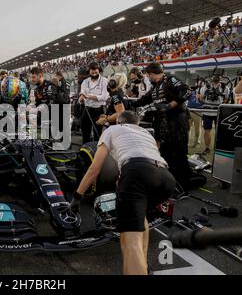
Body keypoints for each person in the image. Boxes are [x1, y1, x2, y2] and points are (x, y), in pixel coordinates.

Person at [69, 111, 175, 275]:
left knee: (129, 242)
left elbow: (94, 169)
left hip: (137, 174)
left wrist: (77, 196)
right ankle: (143, 266)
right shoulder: (145, 133)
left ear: (118, 122)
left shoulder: (112, 130)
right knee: (141, 217)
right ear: (137, 123)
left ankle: (138, 269)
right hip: (166, 179)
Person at [132, 62, 193, 190]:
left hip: (178, 121)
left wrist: (170, 105)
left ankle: (183, 183)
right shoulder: (155, 87)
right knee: (165, 152)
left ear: (152, 74)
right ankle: (169, 181)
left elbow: (187, 91)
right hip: (165, 123)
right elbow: (143, 100)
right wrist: (127, 102)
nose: (148, 78)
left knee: (179, 152)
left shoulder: (170, 80)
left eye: (148, 76)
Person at [198, 76, 231, 155]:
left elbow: (227, 99)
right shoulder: (205, 87)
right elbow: (201, 98)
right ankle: (207, 148)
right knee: (207, 131)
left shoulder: (225, 87)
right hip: (207, 111)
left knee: (219, 132)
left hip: (218, 112)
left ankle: (218, 148)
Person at [79, 62, 109, 144]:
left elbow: (104, 97)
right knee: (85, 132)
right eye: (92, 73)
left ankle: (96, 151)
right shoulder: (85, 81)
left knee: (97, 132)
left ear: (99, 70)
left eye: (96, 72)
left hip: (99, 109)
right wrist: (81, 97)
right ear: (89, 71)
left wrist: (88, 96)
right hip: (87, 109)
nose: (94, 74)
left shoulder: (104, 81)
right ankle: (85, 150)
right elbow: (82, 93)